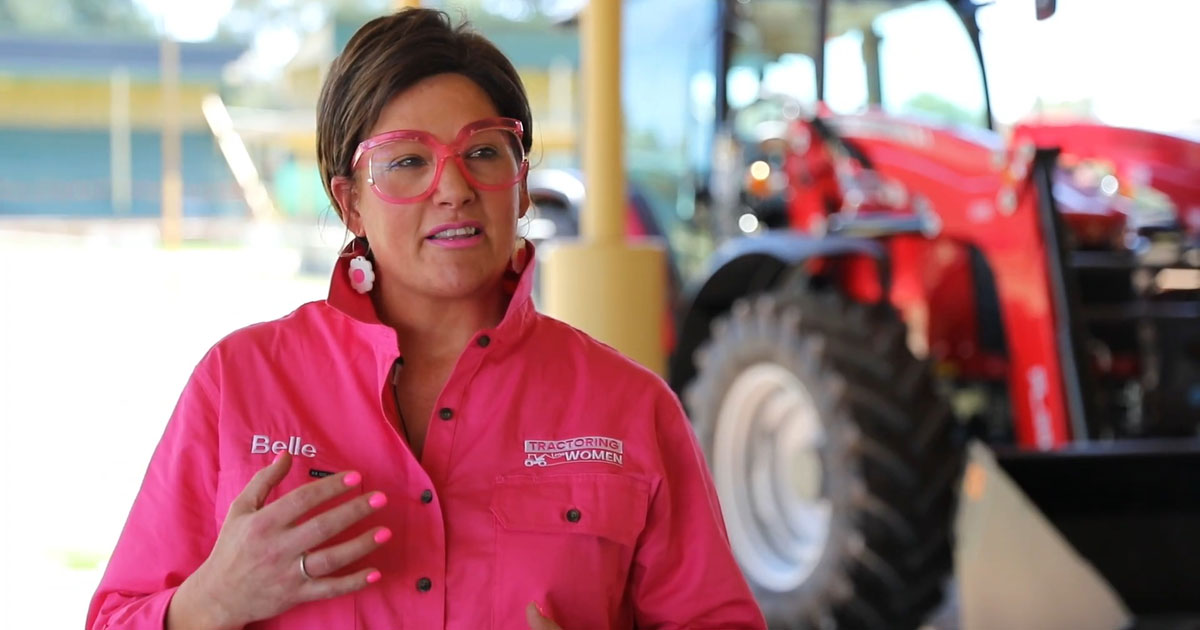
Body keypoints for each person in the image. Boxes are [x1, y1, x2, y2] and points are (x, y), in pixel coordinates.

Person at [87, 8, 765, 630]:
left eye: (483, 152)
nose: (453, 188)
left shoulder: (629, 409)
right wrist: (210, 602)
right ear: (349, 202)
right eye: (409, 161)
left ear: (522, 182)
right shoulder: (239, 384)